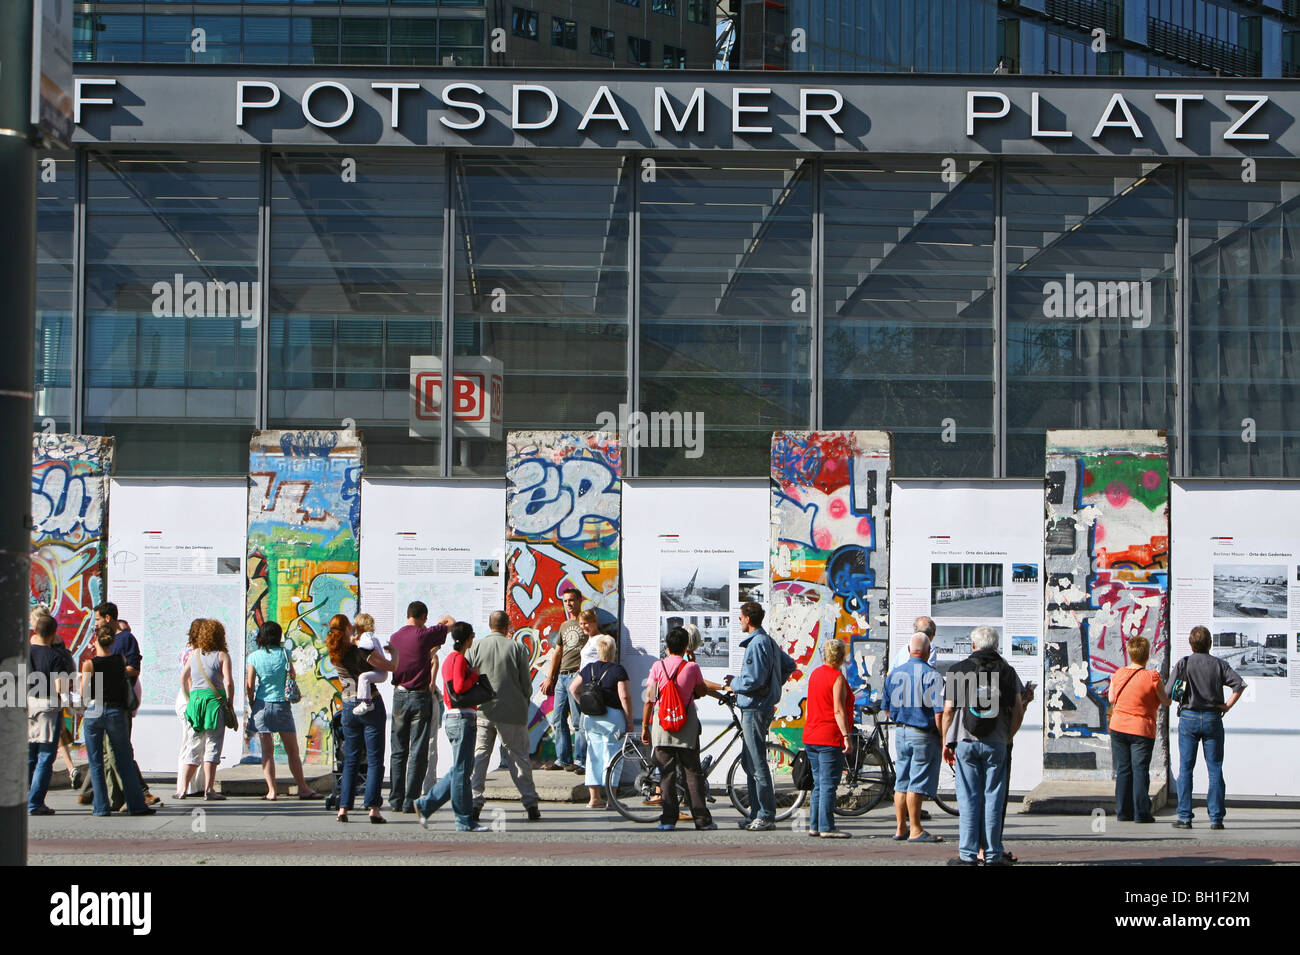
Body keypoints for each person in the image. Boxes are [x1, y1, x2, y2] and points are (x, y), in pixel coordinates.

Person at [941, 626, 1026, 866]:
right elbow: (1018, 709)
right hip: (996, 742)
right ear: (996, 645)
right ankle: (992, 855)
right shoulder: (1008, 672)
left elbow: (948, 710)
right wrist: (1008, 736)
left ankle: (967, 855)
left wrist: (946, 741)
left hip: (965, 741)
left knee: (968, 798)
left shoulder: (959, 670)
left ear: (973, 645)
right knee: (994, 798)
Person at [466, 611, 542, 821]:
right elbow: (526, 683)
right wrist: (524, 700)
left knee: (480, 756)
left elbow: (467, 677)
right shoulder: (517, 647)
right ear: (507, 625)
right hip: (512, 711)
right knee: (519, 758)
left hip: (483, 710)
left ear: (490, 625)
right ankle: (530, 803)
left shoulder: (475, 647)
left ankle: (475, 802)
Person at [1168, 625, 1246, 830]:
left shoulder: (1183, 663)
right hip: (1212, 718)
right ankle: (1216, 819)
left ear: (1191, 644)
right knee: (1215, 768)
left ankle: (1185, 817)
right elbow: (1239, 685)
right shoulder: (1219, 664)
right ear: (1210, 643)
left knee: (1186, 768)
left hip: (1188, 718)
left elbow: (1168, 692)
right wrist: (1227, 706)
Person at [416, 622, 490, 832]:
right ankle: (464, 820)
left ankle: (425, 805)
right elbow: (458, 687)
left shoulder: (450, 658)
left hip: (456, 718)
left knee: (461, 769)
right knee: (461, 771)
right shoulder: (458, 659)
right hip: (462, 718)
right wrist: (474, 675)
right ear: (468, 639)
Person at [642, 626, 717, 831]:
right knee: (692, 772)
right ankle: (702, 821)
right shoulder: (691, 667)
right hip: (686, 724)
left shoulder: (658, 666)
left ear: (666, 646)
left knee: (666, 774)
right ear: (686, 646)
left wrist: (644, 726)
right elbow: (701, 690)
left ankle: (667, 820)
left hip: (662, 723)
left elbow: (649, 699)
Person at [730, 601, 795, 831]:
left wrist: (733, 685)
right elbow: (790, 664)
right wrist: (774, 685)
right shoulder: (768, 641)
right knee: (749, 762)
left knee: (757, 763)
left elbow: (752, 680)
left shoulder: (757, 643)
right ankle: (755, 812)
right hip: (759, 706)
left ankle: (766, 815)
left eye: (740, 617)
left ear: (748, 618)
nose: (739, 621)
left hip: (754, 708)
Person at [328, 613, 397, 823]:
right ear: (349, 627)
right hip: (370, 704)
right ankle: (373, 808)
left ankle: (343, 808)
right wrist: (393, 654)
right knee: (375, 759)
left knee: (351, 759)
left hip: (347, 705)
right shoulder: (359, 650)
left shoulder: (335, 653)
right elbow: (389, 667)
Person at [80, 625, 154, 816]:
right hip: (115, 711)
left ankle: (101, 807)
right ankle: (136, 805)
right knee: (124, 759)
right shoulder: (119, 660)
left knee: (96, 761)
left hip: (94, 710)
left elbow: (84, 694)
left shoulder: (89, 664)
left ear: (95, 641)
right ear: (112, 642)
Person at [387, 601, 454, 814]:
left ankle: (395, 798)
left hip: (399, 695)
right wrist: (436, 624)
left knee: (398, 750)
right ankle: (411, 800)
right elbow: (451, 623)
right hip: (419, 696)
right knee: (418, 749)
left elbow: (419, 656)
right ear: (423, 616)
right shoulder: (423, 635)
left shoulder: (395, 637)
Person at [246, 620, 321, 801]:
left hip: (262, 706)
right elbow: (292, 675)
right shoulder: (285, 654)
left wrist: (252, 702)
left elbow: (250, 684)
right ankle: (302, 788)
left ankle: (271, 791)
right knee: (292, 751)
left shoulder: (254, 657)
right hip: (282, 706)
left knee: (267, 752)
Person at [95, 602, 161, 806]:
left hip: (120, 703)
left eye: (97, 619)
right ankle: (115, 797)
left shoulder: (126, 639)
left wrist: (112, 671)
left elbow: (134, 668)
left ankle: (136, 795)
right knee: (107, 753)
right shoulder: (103, 640)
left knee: (119, 751)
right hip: (102, 702)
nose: (95, 623)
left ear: (107, 618)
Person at [882, 632, 945, 842]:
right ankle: (916, 829)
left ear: (909, 650)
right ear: (928, 652)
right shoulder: (932, 675)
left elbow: (887, 709)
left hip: (900, 732)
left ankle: (900, 828)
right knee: (916, 783)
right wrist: (944, 738)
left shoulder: (894, 674)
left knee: (902, 781)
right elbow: (938, 713)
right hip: (922, 734)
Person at [1107, 635, 1171, 823]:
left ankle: (1123, 811)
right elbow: (1165, 700)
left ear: (1130, 653)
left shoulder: (1118, 674)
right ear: (1147, 654)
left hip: (1118, 727)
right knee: (1140, 770)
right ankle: (1141, 813)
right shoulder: (1152, 677)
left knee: (1123, 770)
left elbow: (1111, 699)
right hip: (1141, 729)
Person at [570, 634, 633, 809]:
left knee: (593, 757)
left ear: (598, 651)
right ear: (613, 651)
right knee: (613, 757)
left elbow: (573, 688)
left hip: (591, 719)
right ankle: (611, 800)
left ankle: (594, 798)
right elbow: (625, 696)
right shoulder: (618, 670)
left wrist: (584, 705)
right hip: (613, 718)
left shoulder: (589, 668)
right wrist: (629, 720)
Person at [801, 637, 854, 838]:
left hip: (811, 735)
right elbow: (838, 711)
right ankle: (826, 827)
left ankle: (814, 825)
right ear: (841, 656)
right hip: (829, 737)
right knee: (829, 784)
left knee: (818, 783)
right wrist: (846, 737)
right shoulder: (837, 678)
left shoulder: (815, 674)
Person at [180, 618, 236, 800]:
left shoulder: (194, 654)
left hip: (196, 702)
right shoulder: (222, 656)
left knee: (194, 745)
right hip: (214, 702)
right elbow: (228, 682)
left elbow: (183, 678)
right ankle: (208, 790)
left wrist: (190, 698)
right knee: (212, 745)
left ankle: (182, 789)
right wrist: (230, 702)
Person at [28, 613, 75, 815]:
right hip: (48, 707)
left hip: (25, 704)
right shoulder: (55, 656)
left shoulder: (24, 653)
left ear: (35, 630)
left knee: (29, 755)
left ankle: (24, 798)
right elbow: (60, 687)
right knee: (46, 756)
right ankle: (35, 802)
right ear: (54, 634)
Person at [540, 587, 588, 772]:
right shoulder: (564, 626)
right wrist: (550, 678)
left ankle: (581, 760)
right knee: (558, 719)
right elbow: (558, 652)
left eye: (571, 600)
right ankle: (563, 759)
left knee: (577, 722)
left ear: (579, 600)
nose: (568, 604)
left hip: (577, 676)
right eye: (566, 601)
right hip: (562, 676)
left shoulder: (586, 622)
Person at [173, 619, 205, 798]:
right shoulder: (194, 653)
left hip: (185, 698)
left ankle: (190, 785)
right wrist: (191, 699)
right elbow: (189, 678)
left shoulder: (185, 650)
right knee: (192, 743)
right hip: (191, 699)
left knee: (190, 741)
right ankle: (189, 786)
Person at [350, 613, 389, 716]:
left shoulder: (366, 636)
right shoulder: (371, 636)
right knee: (365, 679)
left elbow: (369, 645)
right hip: (380, 671)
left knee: (363, 677)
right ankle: (366, 702)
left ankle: (367, 703)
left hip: (380, 672)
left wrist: (356, 643)